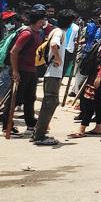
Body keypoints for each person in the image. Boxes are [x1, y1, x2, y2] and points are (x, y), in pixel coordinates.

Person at [0, 6, 46, 134]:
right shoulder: (27, 33)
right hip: (22, 71)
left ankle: (30, 124)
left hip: (32, 70)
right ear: (37, 21)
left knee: (30, 98)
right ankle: (6, 126)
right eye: (42, 20)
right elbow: (14, 52)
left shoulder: (38, 33)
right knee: (15, 98)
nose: (44, 23)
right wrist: (15, 71)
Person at [68, 19, 101, 138]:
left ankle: (82, 129)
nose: (100, 29)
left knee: (88, 101)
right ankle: (98, 127)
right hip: (98, 74)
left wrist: (99, 77)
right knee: (99, 101)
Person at [31, 9, 76, 146]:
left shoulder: (56, 31)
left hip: (52, 73)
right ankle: (39, 135)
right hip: (52, 73)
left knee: (50, 102)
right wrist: (57, 58)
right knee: (50, 103)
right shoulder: (59, 32)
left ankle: (38, 132)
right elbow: (53, 44)